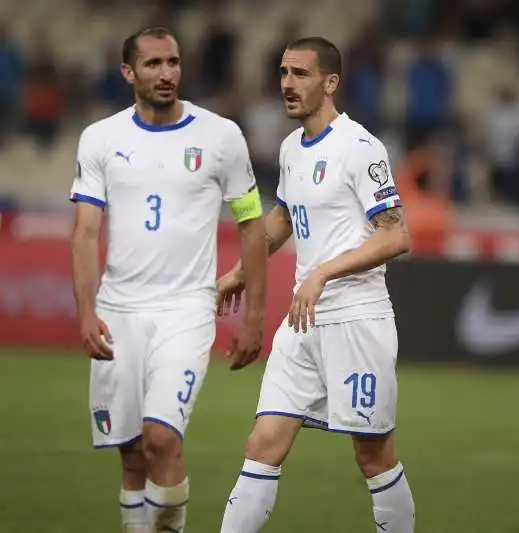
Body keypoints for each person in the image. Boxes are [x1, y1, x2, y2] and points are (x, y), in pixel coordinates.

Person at [69, 27, 267, 533]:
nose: (167, 74)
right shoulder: (101, 139)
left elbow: (251, 224)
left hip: (185, 311)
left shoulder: (221, 137)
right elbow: (86, 232)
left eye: (174, 63)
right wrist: (88, 310)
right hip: (120, 310)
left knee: (161, 438)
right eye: (154, 64)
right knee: (132, 454)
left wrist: (255, 317)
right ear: (128, 72)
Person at [216, 37, 415, 533]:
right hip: (302, 323)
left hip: (356, 318)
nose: (287, 83)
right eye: (283, 72)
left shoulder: (360, 147)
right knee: (263, 444)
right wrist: (244, 268)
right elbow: (284, 217)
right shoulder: (290, 148)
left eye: (300, 73)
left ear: (330, 83)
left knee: (374, 457)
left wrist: (324, 271)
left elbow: (396, 234)